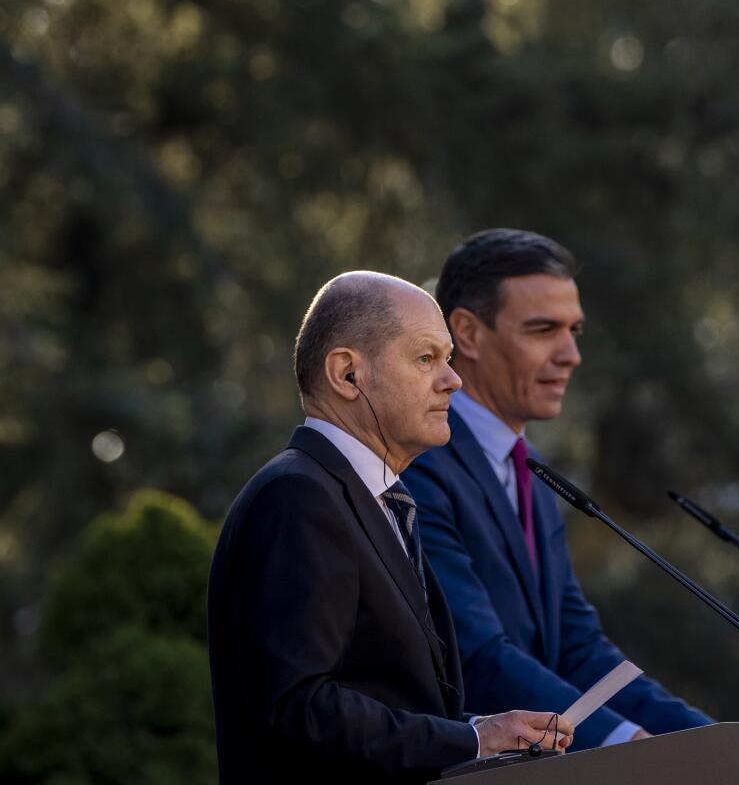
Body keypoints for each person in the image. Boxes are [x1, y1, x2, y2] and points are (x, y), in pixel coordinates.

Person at [207, 272, 573, 785]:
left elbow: (388, 699)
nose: (453, 380)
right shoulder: (297, 497)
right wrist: (470, 741)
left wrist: (484, 731)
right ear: (347, 374)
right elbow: (299, 707)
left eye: (448, 359)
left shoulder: (378, 499)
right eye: (426, 359)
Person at [405, 230, 712, 752]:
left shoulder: (533, 471)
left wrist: (710, 741)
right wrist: (624, 743)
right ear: (469, 334)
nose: (570, 354)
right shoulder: (420, 463)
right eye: (543, 329)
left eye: (574, 330)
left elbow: (578, 650)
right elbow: (476, 654)